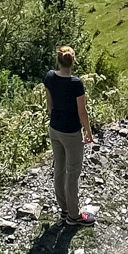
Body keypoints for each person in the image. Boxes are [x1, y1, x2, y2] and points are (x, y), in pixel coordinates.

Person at [43, 43, 94, 226]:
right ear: (73, 62)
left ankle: (64, 210)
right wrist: (88, 131)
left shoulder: (49, 77)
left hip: (54, 128)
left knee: (59, 169)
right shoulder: (76, 83)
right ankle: (74, 215)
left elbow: (49, 103)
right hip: (71, 132)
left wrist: (52, 112)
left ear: (58, 60)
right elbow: (82, 112)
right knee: (72, 173)